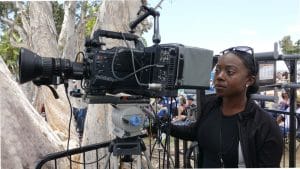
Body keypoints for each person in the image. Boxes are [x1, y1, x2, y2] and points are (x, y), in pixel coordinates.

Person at [169, 46, 283, 167]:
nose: (219, 76)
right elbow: (195, 131)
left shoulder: (265, 125)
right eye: (217, 70)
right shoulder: (210, 106)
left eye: (230, 72)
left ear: (249, 80)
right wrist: (166, 126)